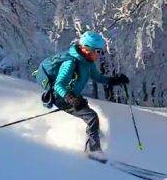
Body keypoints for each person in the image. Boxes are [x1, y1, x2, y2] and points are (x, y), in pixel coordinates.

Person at [50, 31, 129, 162]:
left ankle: (94, 144)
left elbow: (97, 77)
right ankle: (94, 152)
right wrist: (71, 98)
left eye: (101, 52)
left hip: (73, 97)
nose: (100, 55)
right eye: (98, 51)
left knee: (93, 120)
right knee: (92, 117)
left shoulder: (87, 63)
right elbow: (58, 85)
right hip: (61, 98)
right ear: (86, 49)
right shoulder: (70, 63)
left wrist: (114, 80)